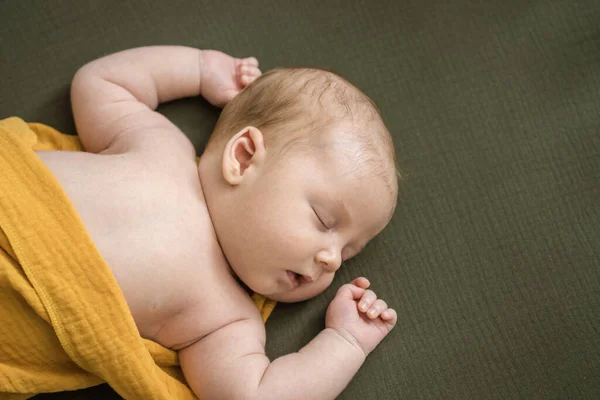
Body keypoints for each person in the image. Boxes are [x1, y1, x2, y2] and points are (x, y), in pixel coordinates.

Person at [34, 45, 399, 399]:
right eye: (324, 220)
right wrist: (200, 69)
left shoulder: (225, 318)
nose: (332, 260)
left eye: (347, 253)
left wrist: (345, 342)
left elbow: (253, 395)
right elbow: (103, 82)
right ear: (242, 157)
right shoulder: (159, 145)